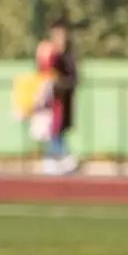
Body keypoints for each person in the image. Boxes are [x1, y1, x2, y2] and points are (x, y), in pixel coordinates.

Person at [35, 18, 79, 175]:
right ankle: (57, 161)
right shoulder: (51, 53)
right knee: (52, 131)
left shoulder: (67, 55)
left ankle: (61, 160)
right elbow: (43, 72)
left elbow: (73, 77)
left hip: (63, 99)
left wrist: (63, 84)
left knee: (58, 131)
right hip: (52, 100)